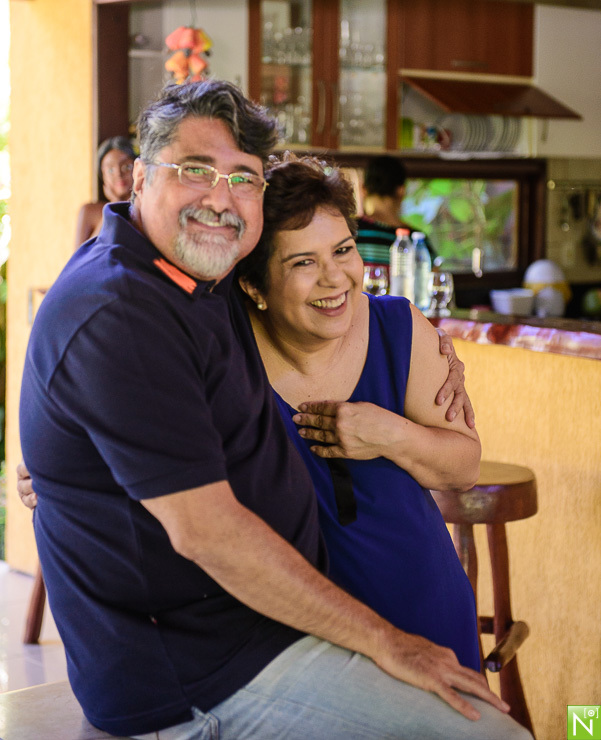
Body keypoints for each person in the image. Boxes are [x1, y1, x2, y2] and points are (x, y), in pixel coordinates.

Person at [19, 79, 531, 740]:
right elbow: (205, 528)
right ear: (139, 179)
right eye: (194, 171)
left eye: (243, 178)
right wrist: (386, 642)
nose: (219, 197)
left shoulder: (201, 280)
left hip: (289, 619)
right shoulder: (138, 307)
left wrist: (408, 375)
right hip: (207, 665)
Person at [237, 154, 480, 670]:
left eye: (343, 250)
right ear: (253, 286)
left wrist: (389, 434)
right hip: (297, 641)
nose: (336, 279)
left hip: (424, 609)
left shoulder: (399, 328)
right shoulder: (224, 349)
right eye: (302, 262)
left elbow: (464, 468)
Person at [356, 154, 435, 283]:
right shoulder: (417, 241)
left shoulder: (347, 231)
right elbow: (433, 283)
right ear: (401, 190)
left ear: (363, 189)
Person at [74, 134, 137, 247]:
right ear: (102, 176)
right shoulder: (89, 212)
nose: (119, 174)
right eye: (111, 170)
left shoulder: (145, 210)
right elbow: (81, 258)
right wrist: (114, 203)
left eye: (126, 167)